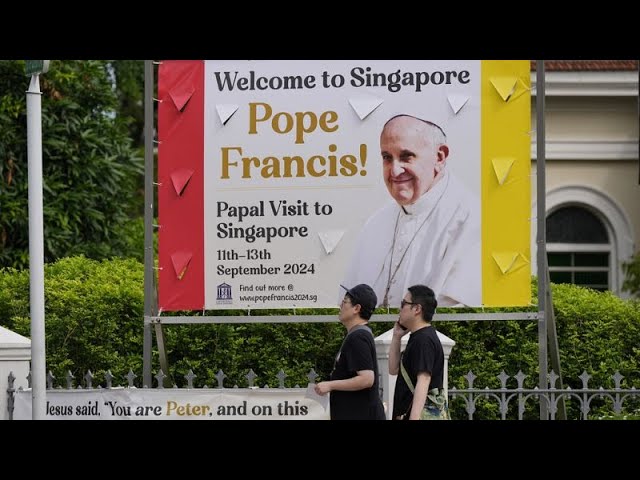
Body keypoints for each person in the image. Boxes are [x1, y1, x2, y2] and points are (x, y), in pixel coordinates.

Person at [341, 114, 480, 307]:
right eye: (387, 158)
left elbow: (463, 314)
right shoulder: (376, 222)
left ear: (439, 157)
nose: (395, 171)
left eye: (406, 157)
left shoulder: (472, 218)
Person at [314, 284, 386, 420]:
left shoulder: (358, 337)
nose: (340, 305)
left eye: (345, 302)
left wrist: (330, 385)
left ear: (356, 308)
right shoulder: (359, 334)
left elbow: (367, 379)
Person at [389, 284, 447, 420]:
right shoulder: (418, 337)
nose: (400, 309)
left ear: (417, 309)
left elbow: (424, 379)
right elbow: (393, 369)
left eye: (403, 304)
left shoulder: (424, 340)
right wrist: (396, 336)